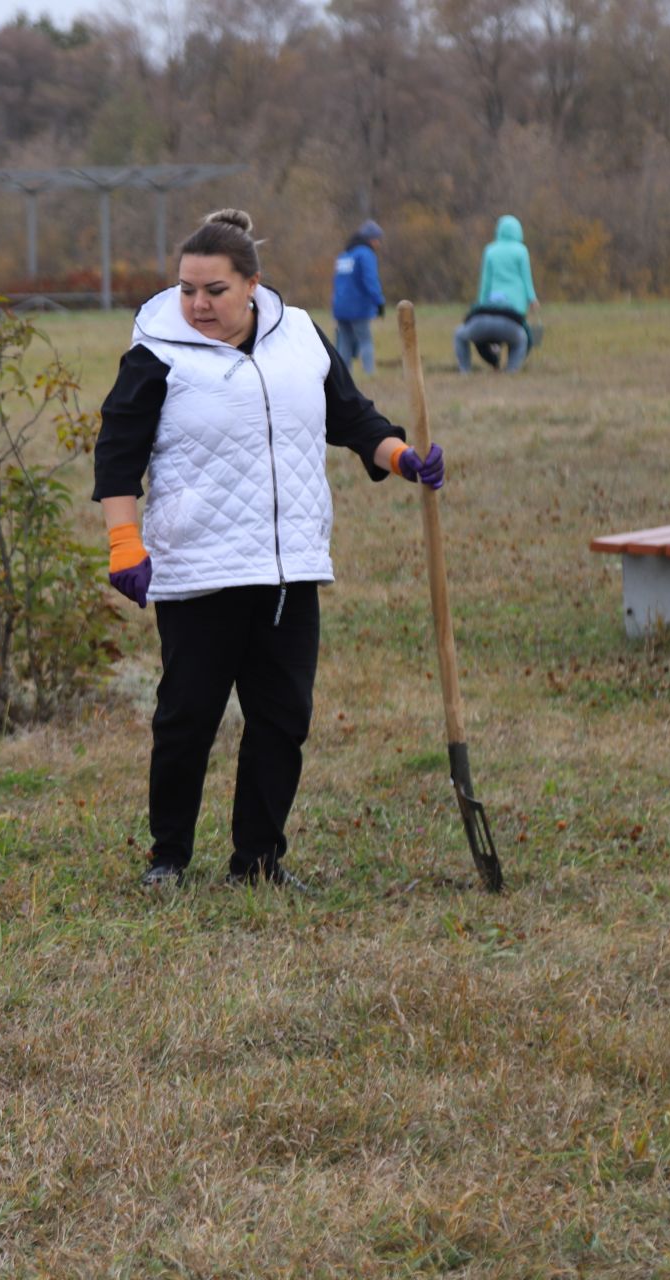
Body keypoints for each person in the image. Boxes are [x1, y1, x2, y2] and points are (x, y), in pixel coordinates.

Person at [92, 209, 447, 890]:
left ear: (251, 284)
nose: (197, 304)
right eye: (188, 289)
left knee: (282, 720)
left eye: (214, 291)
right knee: (188, 717)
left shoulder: (302, 340)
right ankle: (168, 857)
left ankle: (258, 862)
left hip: (289, 566)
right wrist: (123, 541)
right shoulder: (157, 352)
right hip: (200, 565)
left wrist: (401, 457)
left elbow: (351, 417)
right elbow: (117, 453)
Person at [455, 215, 540, 373]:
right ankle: (511, 369)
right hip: (513, 311)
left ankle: (467, 370)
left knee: (463, 335)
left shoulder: (490, 250)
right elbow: (526, 278)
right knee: (522, 337)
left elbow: (485, 282)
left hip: (487, 309)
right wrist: (532, 298)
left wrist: (480, 306)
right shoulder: (521, 251)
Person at [331, 219, 385, 375]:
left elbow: (337, 282)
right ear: (371, 239)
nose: (379, 244)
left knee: (344, 343)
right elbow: (370, 281)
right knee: (365, 340)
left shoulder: (344, 255)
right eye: (378, 240)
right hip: (358, 308)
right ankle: (370, 374)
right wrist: (379, 302)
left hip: (340, 307)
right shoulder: (366, 254)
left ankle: (344, 377)